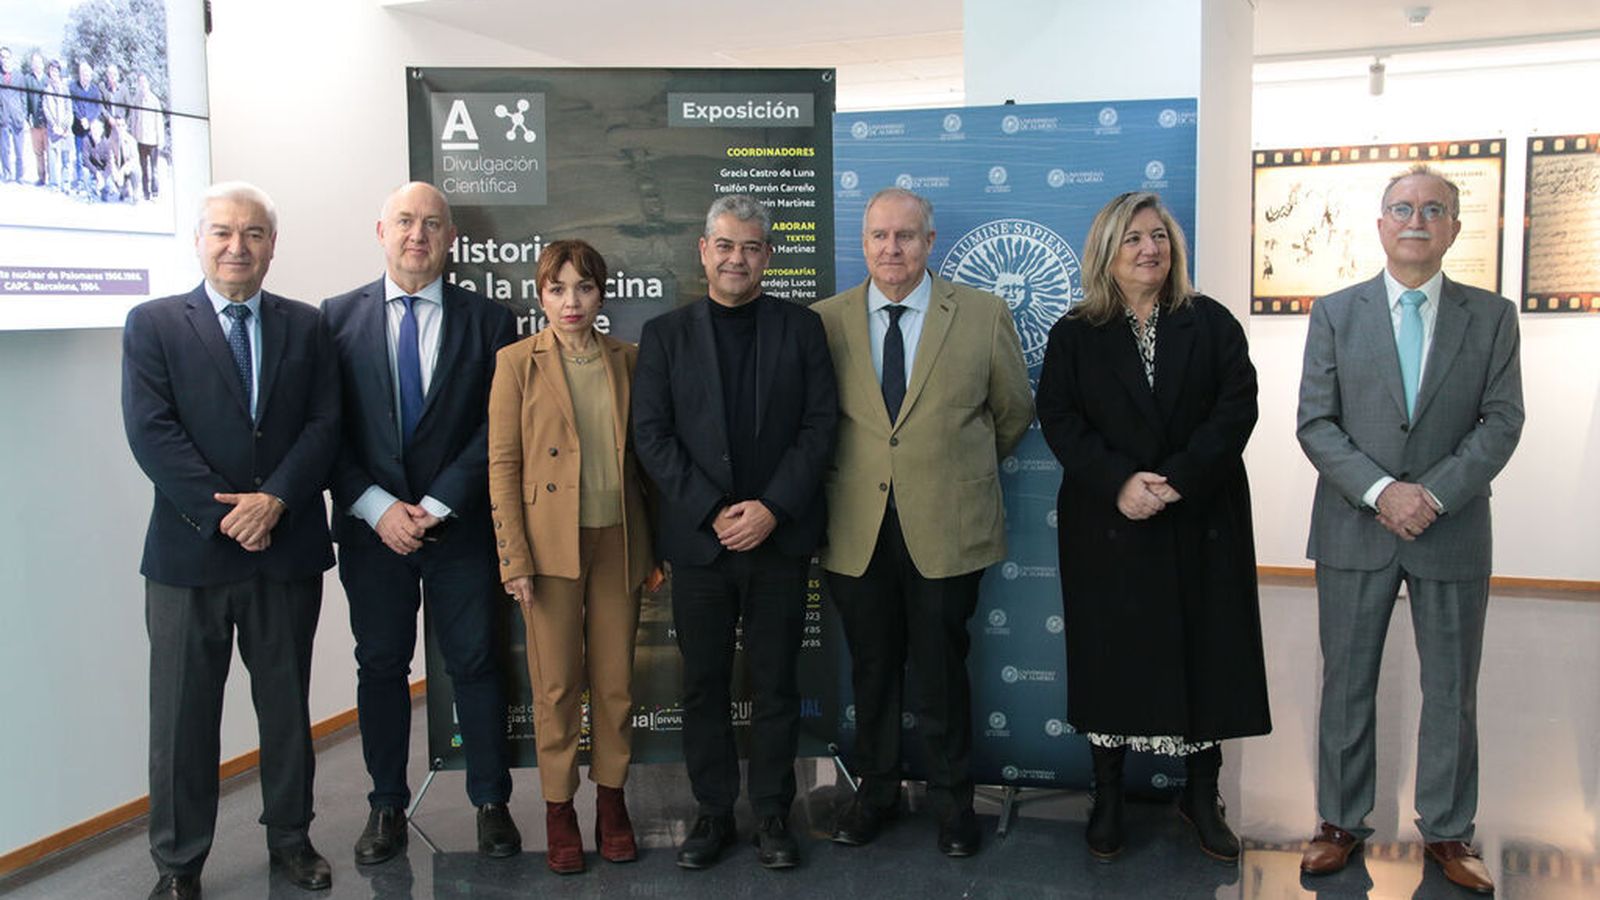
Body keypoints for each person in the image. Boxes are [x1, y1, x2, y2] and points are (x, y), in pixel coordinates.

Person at [1296, 164, 1523, 894]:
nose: (1416, 219)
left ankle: (1450, 832)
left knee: (1451, 689)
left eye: (1434, 209)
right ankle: (1339, 821)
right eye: (1402, 207)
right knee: (1346, 683)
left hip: (1450, 529)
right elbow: (1316, 423)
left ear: (1455, 227)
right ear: (1381, 223)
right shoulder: (1334, 312)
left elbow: (1502, 421)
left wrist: (1433, 494)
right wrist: (1381, 491)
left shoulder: (1491, 316)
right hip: (1354, 525)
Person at [1033, 191, 1271, 862]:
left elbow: (1237, 408)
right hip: (1108, 523)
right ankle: (1106, 794)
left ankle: (1202, 794)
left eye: (1160, 237)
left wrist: (1175, 480)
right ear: (1107, 252)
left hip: (1200, 516)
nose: (1150, 249)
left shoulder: (1212, 322)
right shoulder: (1075, 332)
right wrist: (1121, 482)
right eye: (1134, 238)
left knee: (1206, 654)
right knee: (1110, 657)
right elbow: (1060, 418)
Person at [121, 182, 340, 899]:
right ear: (198, 241)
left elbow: (324, 426)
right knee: (182, 720)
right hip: (189, 559)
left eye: (252, 234)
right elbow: (153, 433)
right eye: (222, 233)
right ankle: (179, 864)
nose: (237, 247)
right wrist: (226, 515)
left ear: (272, 246)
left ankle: (291, 842)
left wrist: (273, 500)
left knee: (285, 709)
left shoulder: (307, 326)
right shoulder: (153, 324)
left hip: (285, 548)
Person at [814, 187, 1033, 858]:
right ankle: (876, 791)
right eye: (879, 235)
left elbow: (1012, 411)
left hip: (947, 524)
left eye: (906, 235)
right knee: (873, 668)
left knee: (941, 669)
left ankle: (951, 803)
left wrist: (948, 471)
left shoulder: (982, 314)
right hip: (857, 527)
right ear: (863, 242)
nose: (891, 248)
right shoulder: (825, 321)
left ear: (930, 242)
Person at [632, 194, 838, 870]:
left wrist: (772, 508)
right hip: (700, 544)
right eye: (725, 245)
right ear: (703, 249)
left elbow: (819, 427)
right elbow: (652, 437)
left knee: (777, 683)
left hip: (778, 541)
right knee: (704, 686)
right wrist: (713, 509)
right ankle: (713, 812)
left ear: (768, 256)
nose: (737, 258)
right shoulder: (664, 335)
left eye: (751, 247)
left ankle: (775, 813)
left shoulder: (802, 329)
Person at [321, 182, 522, 866]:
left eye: (432, 224)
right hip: (371, 533)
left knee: (475, 661)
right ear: (381, 231)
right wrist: (378, 508)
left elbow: (496, 425)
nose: (417, 234)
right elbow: (328, 430)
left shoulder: (491, 321)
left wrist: (435, 505)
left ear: (450, 239)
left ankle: (491, 802)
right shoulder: (335, 318)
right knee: (380, 666)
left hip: (458, 528)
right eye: (405, 221)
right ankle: (386, 806)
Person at [486, 239, 658, 874]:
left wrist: (655, 545)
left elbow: (648, 462)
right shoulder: (516, 363)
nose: (571, 301)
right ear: (540, 295)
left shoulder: (629, 359)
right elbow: (502, 465)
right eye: (557, 289)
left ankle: (611, 803)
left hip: (619, 540)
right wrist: (514, 557)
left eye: (583, 288)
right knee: (556, 685)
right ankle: (559, 808)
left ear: (601, 294)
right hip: (548, 548)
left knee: (614, 684)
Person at [128, 72, 164, 199]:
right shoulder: (136, 100)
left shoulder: (154, 100)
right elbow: (133, 119)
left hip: (153, 141)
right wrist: (133, 138)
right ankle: (145, 192)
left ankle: (155, 192)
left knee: (154, 169)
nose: (142, 85)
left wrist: (161, 140)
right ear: (138, 84)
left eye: (144, 82)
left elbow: (159, 120)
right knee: (143, 168)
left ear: (148, 83)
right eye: (140, 82)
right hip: (140, 140)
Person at [69, 62, 103, 191]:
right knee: (78, 155)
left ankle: (94, 179)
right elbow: (72, 105)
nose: (85, 76)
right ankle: (80, 180)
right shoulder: (73, 87)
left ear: (91, 75)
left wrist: (89, 120)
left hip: (91, 129)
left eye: (88, 74)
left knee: (92, 155)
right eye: (83, 74)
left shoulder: (95, 89)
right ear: (80, 74)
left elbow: (98, 107)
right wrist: (81, 118)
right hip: (78, 128)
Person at [42, 62, 72, 192]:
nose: (54, 73)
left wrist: (65, 126)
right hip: (53, 128)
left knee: (66, 156)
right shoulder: (46, 89)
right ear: (49, 72)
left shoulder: (65, 88)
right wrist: (54, 125)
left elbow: (68, 109)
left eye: (56, 70)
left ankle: (65, 182)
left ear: (59, 72)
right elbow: (46, 109)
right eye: (51, 70)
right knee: (52, 157)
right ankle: (54, 183)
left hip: (65, 129)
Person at [0, 48, 25, 183]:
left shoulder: (19, 76)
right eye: (2, 57)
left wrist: (24, 115)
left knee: (19, 149)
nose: (5, 60)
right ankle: (7, 173)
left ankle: (19, 175)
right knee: (4, 149)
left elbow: (23, 97)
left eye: (7, 57)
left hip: (17, 118)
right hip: (3, 119)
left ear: (11, 58)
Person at [25, 52, 47, 186]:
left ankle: (53, 179)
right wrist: (27, 117)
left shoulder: (48, 79)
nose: (37, 65)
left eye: (39, 62)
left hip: (48, 122)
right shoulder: (28, 79)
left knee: (50, 151)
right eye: (34, 62)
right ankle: (41, 177)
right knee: (38, 152)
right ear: (32, 65)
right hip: (34, 122)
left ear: (42, 64)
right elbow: (25, 99)